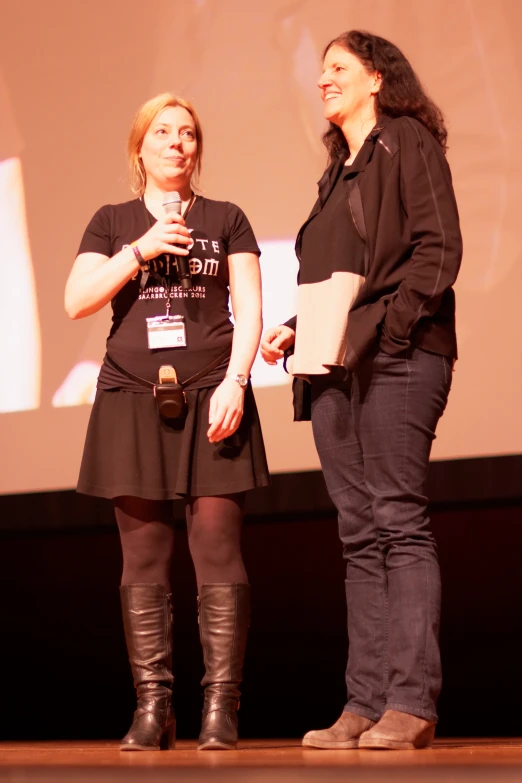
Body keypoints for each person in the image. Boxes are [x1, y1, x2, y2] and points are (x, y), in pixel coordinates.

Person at [261, 30, 462, 750]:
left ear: (377, 78)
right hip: (333, 365)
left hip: (395, 358)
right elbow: (345, 276)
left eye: (338, 68)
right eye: (320, 72)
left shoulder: (406, 141)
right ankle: (363, 702)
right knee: (357, 534)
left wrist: (392, 332)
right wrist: (295, 326)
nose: (324, 80)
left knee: (398, 521)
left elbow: (438, 248)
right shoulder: (338, 169)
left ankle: (410, 701)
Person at [65, 93, 269, 751]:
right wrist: (139, 249)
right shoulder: (112, 220)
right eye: (163, 132)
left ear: (196, 149)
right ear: (140, 148)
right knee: (144, 555)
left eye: (187, 133)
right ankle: (154, 706)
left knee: (216, 545)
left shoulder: (226, 218)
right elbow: (76, 301)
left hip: (214, 392)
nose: (177, 142)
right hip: (131, 395)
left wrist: (237, 381)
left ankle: (220, 708)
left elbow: (250, 308)